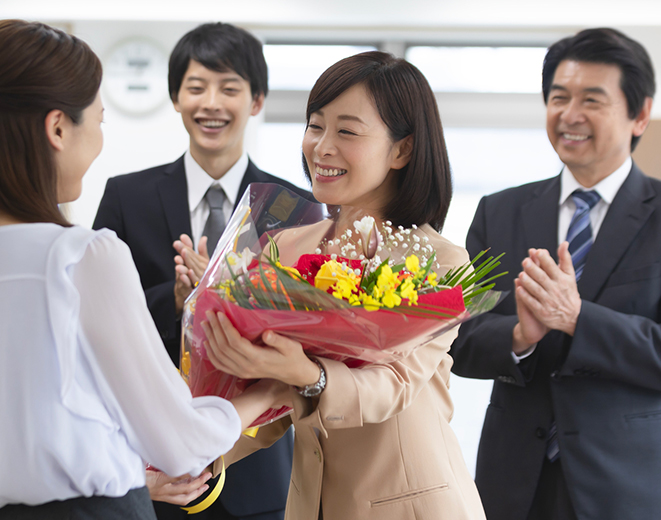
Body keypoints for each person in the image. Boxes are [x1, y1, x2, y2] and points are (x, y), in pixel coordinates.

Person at [0, 19, 289, 519]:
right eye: (99, 121)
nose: (99, 140)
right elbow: (182, 440)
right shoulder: (80, 255)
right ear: (58, 128)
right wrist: (273, 390)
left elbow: (36, 422)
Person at [200, 51, 486, 520]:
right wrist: (199, 452)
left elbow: (393, 386)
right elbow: (266, 393)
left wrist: (308, 375)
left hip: (412, 505)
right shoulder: (283, 249)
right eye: (315, 126)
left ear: (402, 150)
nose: (321, 147)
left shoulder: (439, 261)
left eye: (346, 131)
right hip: (312, 505)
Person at [448, 28, 661, 520]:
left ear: (640, 115)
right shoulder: (499, 212)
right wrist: (517, 334)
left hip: (635, 489)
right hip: (516, 486)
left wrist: (577, 318)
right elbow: (457, 339)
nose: (569, 114)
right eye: (558, 97)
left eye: (591, 99)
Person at [92, 22, 300, 519]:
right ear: (175, 97)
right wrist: (178, 299)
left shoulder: (293, 207)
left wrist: (227, 296)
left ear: (256, 101)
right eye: (196, 87)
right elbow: (96, 321)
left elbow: (306, 329)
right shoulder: (127, 196)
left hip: (258, 467)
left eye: (230, 88)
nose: (212, 103)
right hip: (151, 464)